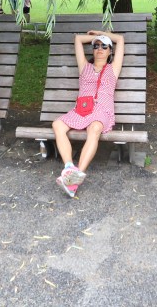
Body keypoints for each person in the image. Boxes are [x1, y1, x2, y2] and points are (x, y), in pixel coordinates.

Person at [51, 29, 125, 198]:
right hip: (82, 110)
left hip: (102, 110)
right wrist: (95, 37)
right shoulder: (85, 67)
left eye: (105, 46)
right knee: (58, 124)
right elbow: (77, 39)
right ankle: (69, 167)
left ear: (110, 51)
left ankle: (75, 179)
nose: (100, 48)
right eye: (97, 45)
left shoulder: (113, 68)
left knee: (95, 128)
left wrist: (100, 33)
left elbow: (120, 39)